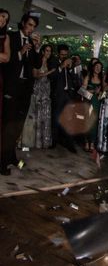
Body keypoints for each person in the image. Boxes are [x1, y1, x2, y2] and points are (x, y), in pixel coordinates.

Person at [2, 13, 40, 174]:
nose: (31, 29)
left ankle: (11, 157)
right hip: (12, 87)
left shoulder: (32, 42)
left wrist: (37, 48)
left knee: (18, 126)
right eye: (30, 25)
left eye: (34, 27)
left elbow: (37, 65)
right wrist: (21, 52)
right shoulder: (11, 37)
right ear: (23, 23)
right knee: (7, 126)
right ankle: (1, 162)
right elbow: (7, 62)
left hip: (25, 89)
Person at [22, 44, 55, 149]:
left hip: (46, 92)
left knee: (44, 116)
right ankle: (29, 142)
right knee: (34, 116)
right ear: (42, 51)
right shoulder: (38, 61)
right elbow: (35, 75)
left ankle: (41, 143)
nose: (48, 53)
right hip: (37, 91)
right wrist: (48, 72)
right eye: (46, 50)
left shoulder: (49, 62)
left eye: (50, 51)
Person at [50, 43, 81, 152]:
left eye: (66, 54)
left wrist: (72, 67)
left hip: (68, 94)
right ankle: (53, 142)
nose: (64, 56)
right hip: (58, 94)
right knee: (56, 119)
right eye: (62, 55)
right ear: (58, 54)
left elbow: (75, 79)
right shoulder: (53, 62)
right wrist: (61, 66)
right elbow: (52, 77)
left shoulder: (70, 64)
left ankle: (70, 144)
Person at [82, 60, 103, 152]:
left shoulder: (102, 79)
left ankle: (92, 143)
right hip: (88, 101)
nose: (98, 68)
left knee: (95, 123)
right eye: (96, 66)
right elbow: (82, 91)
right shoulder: (88, 77)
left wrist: (100, 95)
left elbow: (103, 93)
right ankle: (86, 142)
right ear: (93, 67)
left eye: (100, 67)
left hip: (96, 102)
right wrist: (93, 92)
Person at [0, 9, 10, 173]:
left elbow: (6, 57)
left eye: (6, 19)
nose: (3, 20)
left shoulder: (5, 37)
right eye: (1, 16)